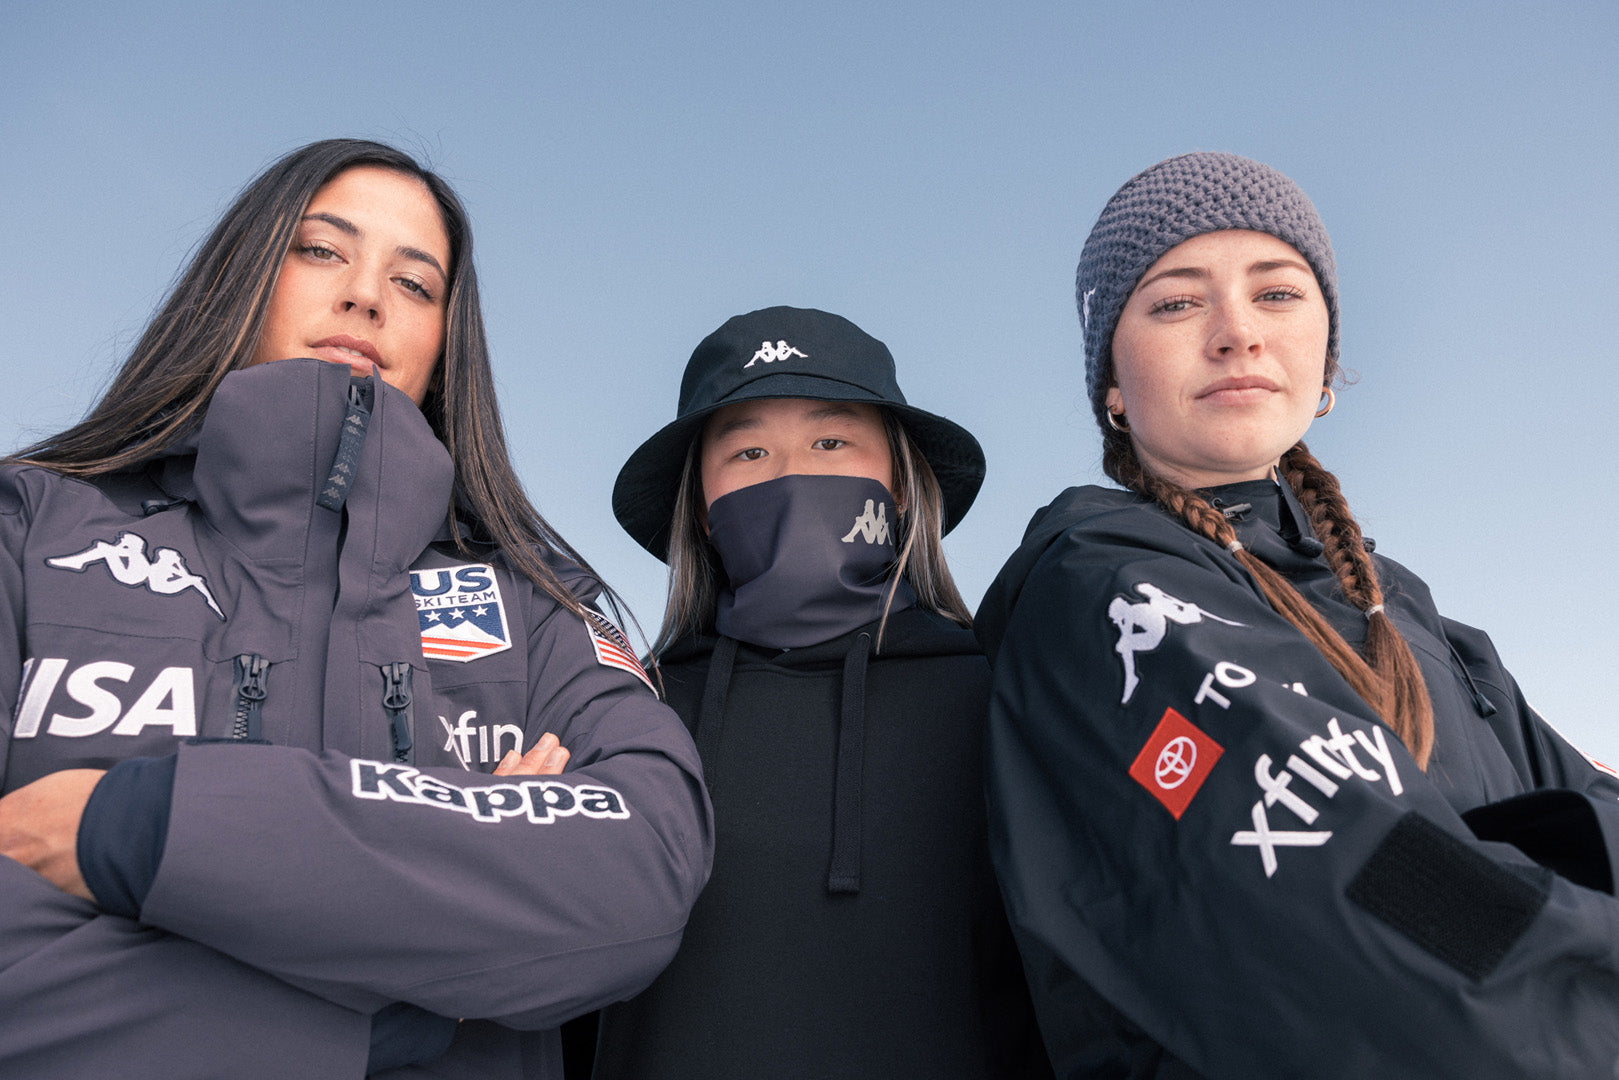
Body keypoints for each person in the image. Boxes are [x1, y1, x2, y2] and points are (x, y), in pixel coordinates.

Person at [0, 138, 712, 1079]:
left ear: (444, 344)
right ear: (242, 277)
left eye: (416, 285)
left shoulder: (538, 603)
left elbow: (639, 870)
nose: (366, 297)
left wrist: (130, 827)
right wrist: (434, 922)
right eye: (321, 251)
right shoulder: (30, 528)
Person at [974, 150, 1619, 1078]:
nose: (1235, 332)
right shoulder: (1098, 585)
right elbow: (1359, 878)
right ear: (1111, 385)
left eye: (1276, 294)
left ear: (1325, 358)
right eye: (1173, 302)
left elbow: (1586, 801)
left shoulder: (1399, 607)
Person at [592, 306, 1050, 1078]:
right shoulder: (627, 714)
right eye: (748, 451)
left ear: (900, 481)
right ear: (700, 510)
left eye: (831, 442)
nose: (790, 474)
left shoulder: (1006, 699)